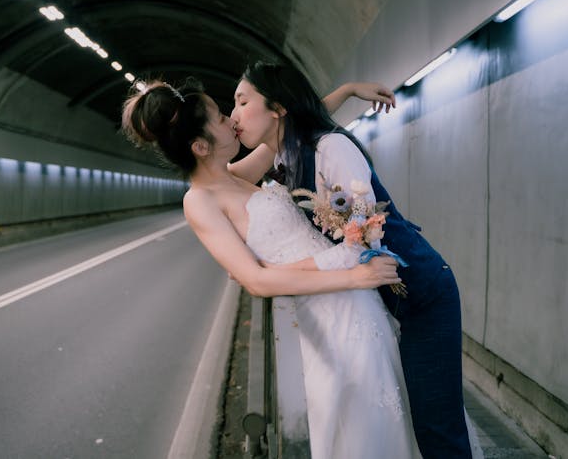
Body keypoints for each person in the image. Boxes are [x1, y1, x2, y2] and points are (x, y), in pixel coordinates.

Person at [121, 78, 423, 458]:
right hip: (328, 309)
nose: (233, 119)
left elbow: (289, 124)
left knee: (386, 409)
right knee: (358, 419)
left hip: (354, 298)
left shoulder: (237, 175)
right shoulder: (199, 202)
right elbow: (256, 281)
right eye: (219, 118)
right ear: (200, 146)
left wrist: (346, 92)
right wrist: (354, 276)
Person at [229, 61, 482, 459]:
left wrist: (274, 273)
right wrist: (344, 90)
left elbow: (363, 235)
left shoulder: (331, 148)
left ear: (277, 107)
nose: (234, 117)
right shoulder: (287, 161)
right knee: (416, 425)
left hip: (425, 296)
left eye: (242, 102)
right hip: (384, 301)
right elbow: (229, 175)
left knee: (437, 426)